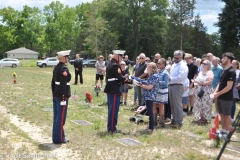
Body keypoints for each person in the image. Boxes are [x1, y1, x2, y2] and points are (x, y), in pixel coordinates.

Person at [104, 50, 132, 133]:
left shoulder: (110, 63)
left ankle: (111, 127)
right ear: (117, 56)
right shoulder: (115, 65)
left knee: (111, 109)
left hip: (111, 88)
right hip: (114, 89)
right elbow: (120, 78)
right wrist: (130, 81)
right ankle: (112, 129)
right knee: (113, 110)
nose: (122, 58)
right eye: (121, 57)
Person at [51, 50, 71, 144]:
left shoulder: (56, 67)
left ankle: (56, 137)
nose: (68, 59)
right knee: (60, 118)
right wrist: (63, 98)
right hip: (62, 96)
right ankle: (59, 138)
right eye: (67, 57)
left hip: (56, 94)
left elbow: (53, 83)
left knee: (57, 117)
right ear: (64, 58)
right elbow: (63, 85)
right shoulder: (63, 69)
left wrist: (53, 94)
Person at [212, 52, 236, 132]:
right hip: (219, 96)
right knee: (221, 114)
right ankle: (223, 130)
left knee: (227, 114)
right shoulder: (223, 70)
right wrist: (215, 92)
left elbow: (229, 87)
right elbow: (220, 83)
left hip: (227, 97)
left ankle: (227, 130)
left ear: (229, 60)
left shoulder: (231, 71)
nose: (222, 59)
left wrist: (218, 93)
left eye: (224, 58)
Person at [168, 50, 188, 128]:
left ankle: (179, 122)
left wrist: (171, 78)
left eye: (177, 58)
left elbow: (181, 77)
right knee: (172, 104)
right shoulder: (174, 65)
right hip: (172, 85)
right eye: (175, 57)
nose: (176, 59)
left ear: (181, 57)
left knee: (177, 104)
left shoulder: (183, 65)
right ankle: (174, 119)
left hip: (178, 86)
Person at [139, 62, 159, 132]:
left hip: (150, 96)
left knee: (150, 112)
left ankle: (151, 127)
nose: (147, 69)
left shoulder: (154, 76)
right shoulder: (151, 76)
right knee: (150, 111)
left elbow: (149, 87)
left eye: (148, 67)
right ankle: (150, 126)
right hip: (148, 96)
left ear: (152, 68)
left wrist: (140, 85)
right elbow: (147, 83)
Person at [192, 60, 214, 124]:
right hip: (198, 89)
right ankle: (200, 117)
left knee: (206, 104)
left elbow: (209, 82)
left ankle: (205, 118)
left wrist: (201, 83)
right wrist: (195, 87)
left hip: (206, 90)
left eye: (205, 64)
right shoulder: (200, 72)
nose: (203, 64)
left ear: (208, 65)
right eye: (202, 63)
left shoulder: (210, 72)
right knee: (199, 104)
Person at [153, 58, 169, 127]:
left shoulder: (165, 72)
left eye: (159, 63)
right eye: (157, 63)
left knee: (160, 106)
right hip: (156, 90)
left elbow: (165, 83)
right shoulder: (158, 71)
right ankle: (154, 121)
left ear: (164, 64)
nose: (158, 64)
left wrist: (158, 82)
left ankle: (161, 122)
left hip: (162, 91)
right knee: (153, 105)